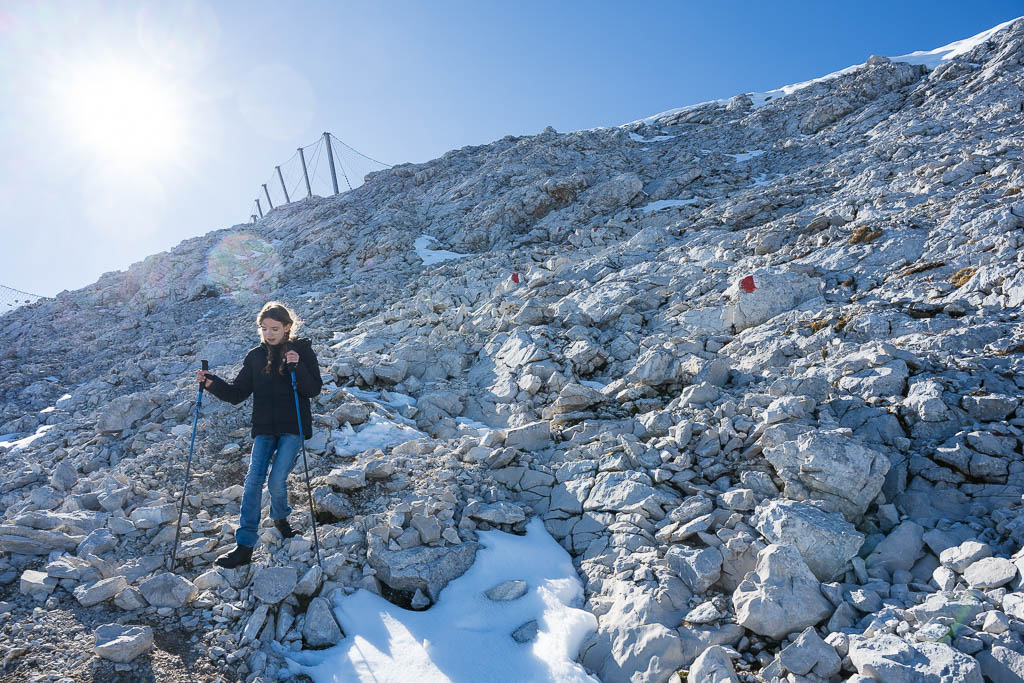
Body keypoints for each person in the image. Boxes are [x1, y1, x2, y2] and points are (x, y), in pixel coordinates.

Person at [197, 301, 323, 568]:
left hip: (292, 427)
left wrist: (297, 366)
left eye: (274, 329)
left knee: (277, 480)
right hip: (264, 428)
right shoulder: (255, 356)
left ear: (288, 327)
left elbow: (313, 390)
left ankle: (280, 518)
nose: (268, 334)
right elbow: (236, 393)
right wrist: (210, 383)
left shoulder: (302, 350)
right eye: (264, 329)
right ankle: (244, 546)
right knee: (253, 481)